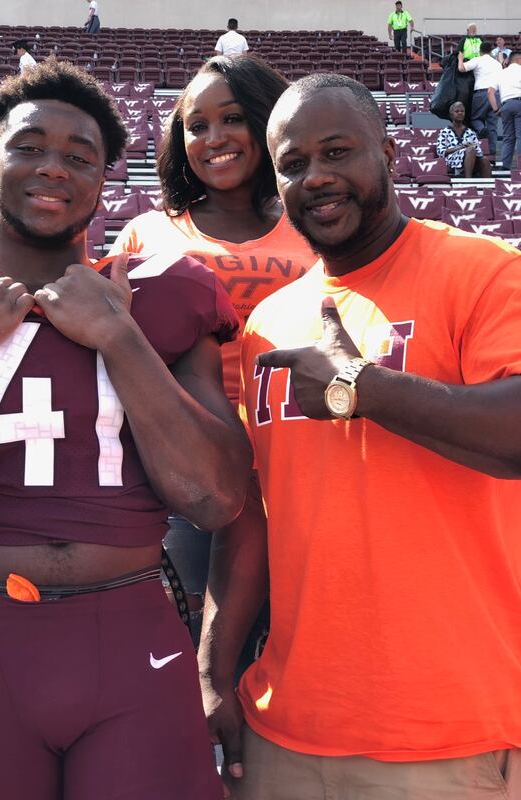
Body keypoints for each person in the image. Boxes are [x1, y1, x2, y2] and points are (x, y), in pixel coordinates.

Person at [0, 58, 252, 800]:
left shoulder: (167, 292)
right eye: (29, 146)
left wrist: (118, 335)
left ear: (106, 179)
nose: (53, 168)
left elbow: (215, 497)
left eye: (80, 156)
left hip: (129, 633)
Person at [201, 72, 521, 799]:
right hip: (284, 728)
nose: (317, 178)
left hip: (448, 735)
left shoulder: (483, 274)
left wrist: (361, 389)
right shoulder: (268, 326)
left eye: (337, 151)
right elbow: (252, 516)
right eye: (292, 164)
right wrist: (213, 674)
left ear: (387, 149)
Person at [109, 54, 316, 652]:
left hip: (304, 464)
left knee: (293, 649)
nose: (214, 138)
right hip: (187, 473)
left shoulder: (314, 226)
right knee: (187, 652)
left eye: (231, 118)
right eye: (196, 125)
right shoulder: (148, 233)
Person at [457, 40, 502, 155]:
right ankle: (492, 152)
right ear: (491, 51)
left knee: (475, 119)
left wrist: (460, 58)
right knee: (493, 125)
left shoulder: (477, 60)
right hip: (496, 95)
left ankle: (481, 130)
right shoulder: (497, 63)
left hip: (481, 94)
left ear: (480, 51)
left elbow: (461, 69)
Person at [436, 100, 491, 176]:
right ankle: (468, 181)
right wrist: (460, 147)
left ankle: (487, 186)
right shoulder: (445, 132)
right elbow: (441, 152)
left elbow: (479, 152)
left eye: (462, 111)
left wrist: (472, 146)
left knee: (484, 160)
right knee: (470, 150)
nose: (460, 113)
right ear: (451, 114)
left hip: (470, 158)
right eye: (457, 111)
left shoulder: (470, 132)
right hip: (451, 160)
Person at [489, 50, 521, 171]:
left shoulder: (500, 73)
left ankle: (505, 166)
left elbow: (490, 92)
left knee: (508, 137)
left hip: (505, 105)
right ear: (519, 60)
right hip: (519, 102)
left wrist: (496, 109)